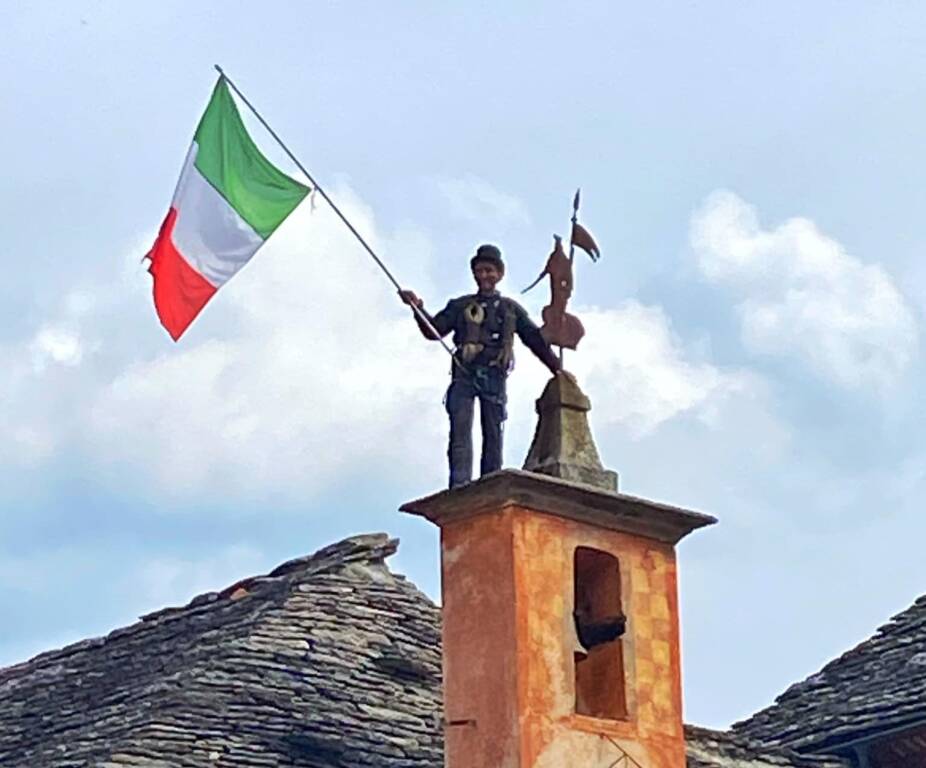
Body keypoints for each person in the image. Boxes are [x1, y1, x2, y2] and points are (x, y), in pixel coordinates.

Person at [399, 244, 562, 488]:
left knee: (493, 433)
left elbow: (534, 340)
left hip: (494, 377)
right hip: (465, 374)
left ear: (499, 274)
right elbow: (434, 331)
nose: (484, 276)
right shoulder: (461, 306)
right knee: (460, 432)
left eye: (489, 271)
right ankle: (460, 484)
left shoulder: (510, 310)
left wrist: (557, 369)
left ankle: (490, 484)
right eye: (480, 271)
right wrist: (417, 308)